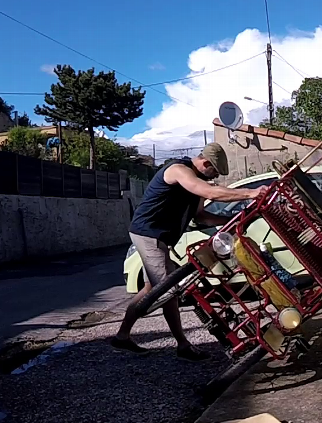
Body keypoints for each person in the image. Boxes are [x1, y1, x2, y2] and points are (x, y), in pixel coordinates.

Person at [113, 143, 266, 360]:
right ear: (205, 163)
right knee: (168, 290)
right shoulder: (178, 170)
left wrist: (233, 221)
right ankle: (183, 345)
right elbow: (209, 192)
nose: (213, 177)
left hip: (159, 237)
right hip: (149, 234)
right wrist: (250, 193)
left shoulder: (197, 182)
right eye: (213, 171)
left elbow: (201, 216)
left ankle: (122, 336)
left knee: (151, 288)